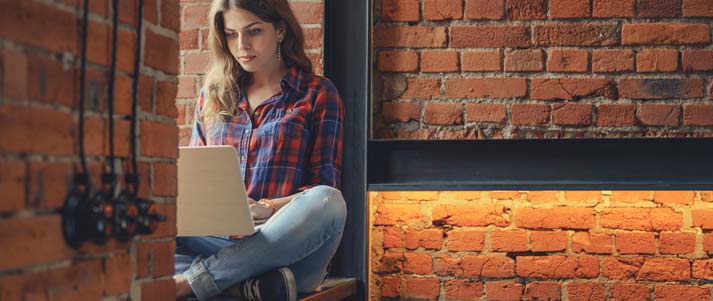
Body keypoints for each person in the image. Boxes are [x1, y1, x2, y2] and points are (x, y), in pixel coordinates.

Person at [173, 0, 346, 300]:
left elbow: (321, 187)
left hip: (284, 249)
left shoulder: (317, 93)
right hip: (219, 243)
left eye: (254, 31)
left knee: (329, 202)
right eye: (231, 34)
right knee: (157, 221)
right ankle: (244, 288)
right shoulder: (212, 97)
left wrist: (268, 207)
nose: (242, 45)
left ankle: (193, 283)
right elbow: (196, 185)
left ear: (280, 30)